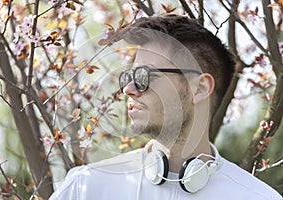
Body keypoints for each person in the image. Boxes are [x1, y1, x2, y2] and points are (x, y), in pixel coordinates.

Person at [49, 14, 282, 200]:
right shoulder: (85, 188)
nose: (128, 89)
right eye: (128, 76)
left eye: (144, 76)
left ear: (199, 88)